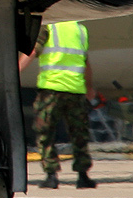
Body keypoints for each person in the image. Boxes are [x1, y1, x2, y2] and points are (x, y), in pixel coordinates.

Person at [22, 20, 97, 189]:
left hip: (51, 89)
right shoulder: (80, 30)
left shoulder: (50, 27)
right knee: (79, 134)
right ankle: (83, 175)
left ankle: (51, 175)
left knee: (45, 133)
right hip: (75, 90)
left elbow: (33, 51)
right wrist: (89, 87)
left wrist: (13, 71)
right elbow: (85, 61)